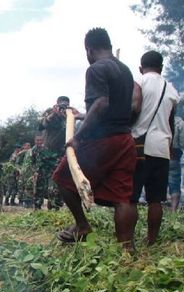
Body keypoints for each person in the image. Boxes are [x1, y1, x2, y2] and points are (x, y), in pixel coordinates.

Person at [53, 28, 137, 251]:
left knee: (62, 176)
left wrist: (78, 137)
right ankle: (126, 249)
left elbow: (101, 104)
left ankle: (82, 226)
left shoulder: (96, 69)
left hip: (103, 142)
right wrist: (82, 115)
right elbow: (116, 105)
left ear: (89, 49)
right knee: (123, 197)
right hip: (124, 139)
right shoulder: (125, 70)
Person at [130, 50, 180, 245]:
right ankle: (151, 241)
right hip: (162, 148)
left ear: (141, 68)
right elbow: (170, 122)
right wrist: (169, 146)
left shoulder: (139, 83)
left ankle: (128, 241)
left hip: (139, 146)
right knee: (156, 200)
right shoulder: (171, 89)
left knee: (131, 198)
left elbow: (134, 110)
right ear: (161, 67)